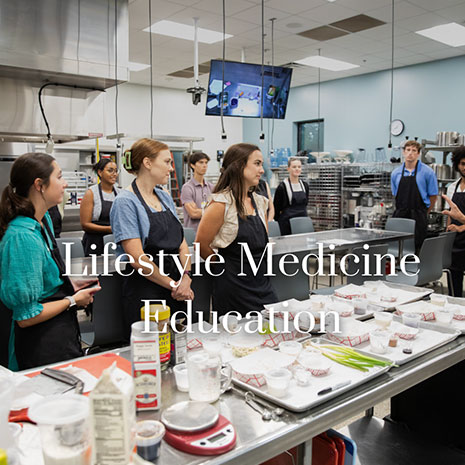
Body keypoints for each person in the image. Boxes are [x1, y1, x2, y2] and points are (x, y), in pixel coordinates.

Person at [0, 153, 100, 370]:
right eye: (60, 177)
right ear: (40, 185)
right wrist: (73, 300)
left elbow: (44, 279)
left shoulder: (42, 221)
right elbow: (26, 316)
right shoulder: (22, 237)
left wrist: (72, 285)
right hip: (38, 345)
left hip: (60, 332)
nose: (64, 184)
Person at [110, 139, 194, 340]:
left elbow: (181, 244)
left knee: (180, 347)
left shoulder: (164, 196)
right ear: (147, 163)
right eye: (166, 162)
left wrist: (186, 277)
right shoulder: (125, 202)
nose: (171, 169)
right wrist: (174, 285)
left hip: (178, 288)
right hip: (147, 291)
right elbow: (138, 259)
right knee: (152, 353)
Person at [196, 143, 277, 317]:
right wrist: (222, 268)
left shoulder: (260, 202)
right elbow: (200, 245)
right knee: (239, 341)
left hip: (261, 282)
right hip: (233, 287)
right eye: (257, 163)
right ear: (240, 166)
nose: (262, 170)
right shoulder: (220, 204)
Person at [390, 140, 438, 252]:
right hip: (400, 215)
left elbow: (433, 196)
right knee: (399, 248)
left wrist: (424, 212)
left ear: (418, 154)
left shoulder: (428, 172)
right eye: (408, 150)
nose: (410, 153)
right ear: (403, 152)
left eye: (414, 150)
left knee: (417, 248)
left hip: (418, 216)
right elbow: (395, 194)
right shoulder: (395, 173)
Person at [80, 158, 120, 255]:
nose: (114, 174)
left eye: (116, 171)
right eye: (110, 170)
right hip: (94, 242)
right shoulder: (91, 193)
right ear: (100, 172)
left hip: (114, 241)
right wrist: (109, 229)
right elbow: (85, 224)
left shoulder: (120, 193)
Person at [444, 146, 465, 296]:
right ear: (457, 165)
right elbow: (450, 214)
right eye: (463, 164)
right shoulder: (452, 187)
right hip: (456, 242)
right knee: (454, 280)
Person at [273, 158, 310, 235]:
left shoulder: (305, 186)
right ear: (288, 169)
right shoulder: (282, 187)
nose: (297, 169)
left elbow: (305, 203)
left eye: (299, 167)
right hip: (287, 224)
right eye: (294, 167)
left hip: (302, 223)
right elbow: (276, 209)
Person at [180, 152, 214, 232]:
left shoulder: (211, 187)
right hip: (194, 233)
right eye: (201, 162)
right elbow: (193, 213)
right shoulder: (187, 187)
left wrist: (202, 211)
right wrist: (212, 211)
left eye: (206, 163)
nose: (204, 165)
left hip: (209, 232)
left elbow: (218, 211)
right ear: (192, 165)